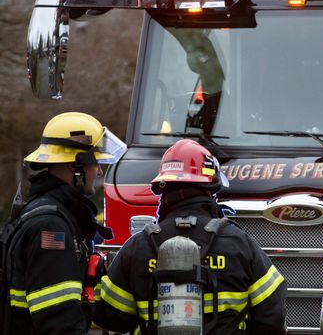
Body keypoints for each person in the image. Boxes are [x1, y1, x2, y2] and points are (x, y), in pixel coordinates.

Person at [93, 138, 287, 334]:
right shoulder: (239, 244)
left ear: (163, 188)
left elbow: (111, 318)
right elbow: (272, 317)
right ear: (210, 188)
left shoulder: (138, 247)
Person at [6, 112, 127, 334]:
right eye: (95, 162)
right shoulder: (50, 228)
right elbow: (59, 321)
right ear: (76, 165)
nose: (99, 170)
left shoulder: (58, 216)